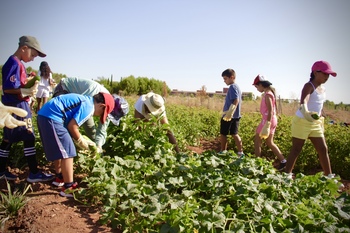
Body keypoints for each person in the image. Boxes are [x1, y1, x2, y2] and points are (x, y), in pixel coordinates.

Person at [37, 92, 115, 197]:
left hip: (45, 115)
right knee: (68, 151)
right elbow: (72, 127)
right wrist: (83, 144)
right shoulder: (89, 107)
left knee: (61, 149)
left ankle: (60, 177)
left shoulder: (85, 100)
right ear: (101, 106)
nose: (99, 116)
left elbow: (70, 125)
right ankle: (69, 187)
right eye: (102, 113)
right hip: (52, 117)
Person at [0, 35, 54, 182]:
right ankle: (34, 173)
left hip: (12, 105)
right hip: (18, 106)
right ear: (24, 48)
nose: (33, 58)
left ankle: (1, 170)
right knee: (28, 136)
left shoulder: (17, 63)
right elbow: (9, 88)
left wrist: (28, 83)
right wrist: (26, 92)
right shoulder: (14, 63)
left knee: (8, 138)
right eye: (33, 54)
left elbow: (16, 84)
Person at [284, 61, 336, 177]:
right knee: (296, 149)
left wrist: (323, 115)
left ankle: (329, 177)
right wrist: (306, 111)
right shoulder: (309, 86)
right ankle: (286, 175)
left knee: (323, 149)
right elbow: (304, 100)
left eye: (328, 75)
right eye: (325, 74)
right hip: (302, 121)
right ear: (315, 72)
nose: (327, 77)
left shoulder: (323, 89)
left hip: (315, 122)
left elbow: (318, 105)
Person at [52, 77, 129, 153]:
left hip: (84, 104)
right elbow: (79, 116)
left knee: (90, 132)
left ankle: (84, 151)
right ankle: (63, 151)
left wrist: (98, 146)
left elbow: (102, 129)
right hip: (64, 89)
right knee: (64, 128)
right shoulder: (97, 96)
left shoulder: (106, 105)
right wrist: (80, 141)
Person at [252, 75, 286, 170]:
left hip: (268, 120)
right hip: (271, 119)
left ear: (261, 85)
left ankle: (256, 163)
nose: (257, 88)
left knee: (257, 141)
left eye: (257, 86)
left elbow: (270, 110)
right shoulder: (268, 93)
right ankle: (283, 161)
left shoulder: (267, 94)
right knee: (269, 142)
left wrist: (267, 124)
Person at [219, 69, 244, 157]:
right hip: (237, 116)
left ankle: (223, 151)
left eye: (225, 78)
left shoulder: (232, 87)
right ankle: (241, 153)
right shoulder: (237, 87)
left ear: (232, 77)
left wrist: (230, 112)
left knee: (223, 133)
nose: (224, 80)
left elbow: (236, 99)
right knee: (234, 133)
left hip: (229, 116)